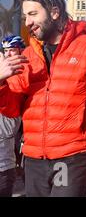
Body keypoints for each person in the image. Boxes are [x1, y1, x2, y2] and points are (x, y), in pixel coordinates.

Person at [0, 0, 86, 197]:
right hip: (33, 158)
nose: (28, 22)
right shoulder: (27, 56)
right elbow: (12, 109)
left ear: (55, 12)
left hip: (74, 154)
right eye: (25, 16)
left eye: (33, 14)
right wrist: (2, 82)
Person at [0, 35, 25, 197]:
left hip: (3, 164)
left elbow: (9, 128)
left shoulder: (23, 77)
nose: (8, 55)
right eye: (6, 51)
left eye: (12, 50)